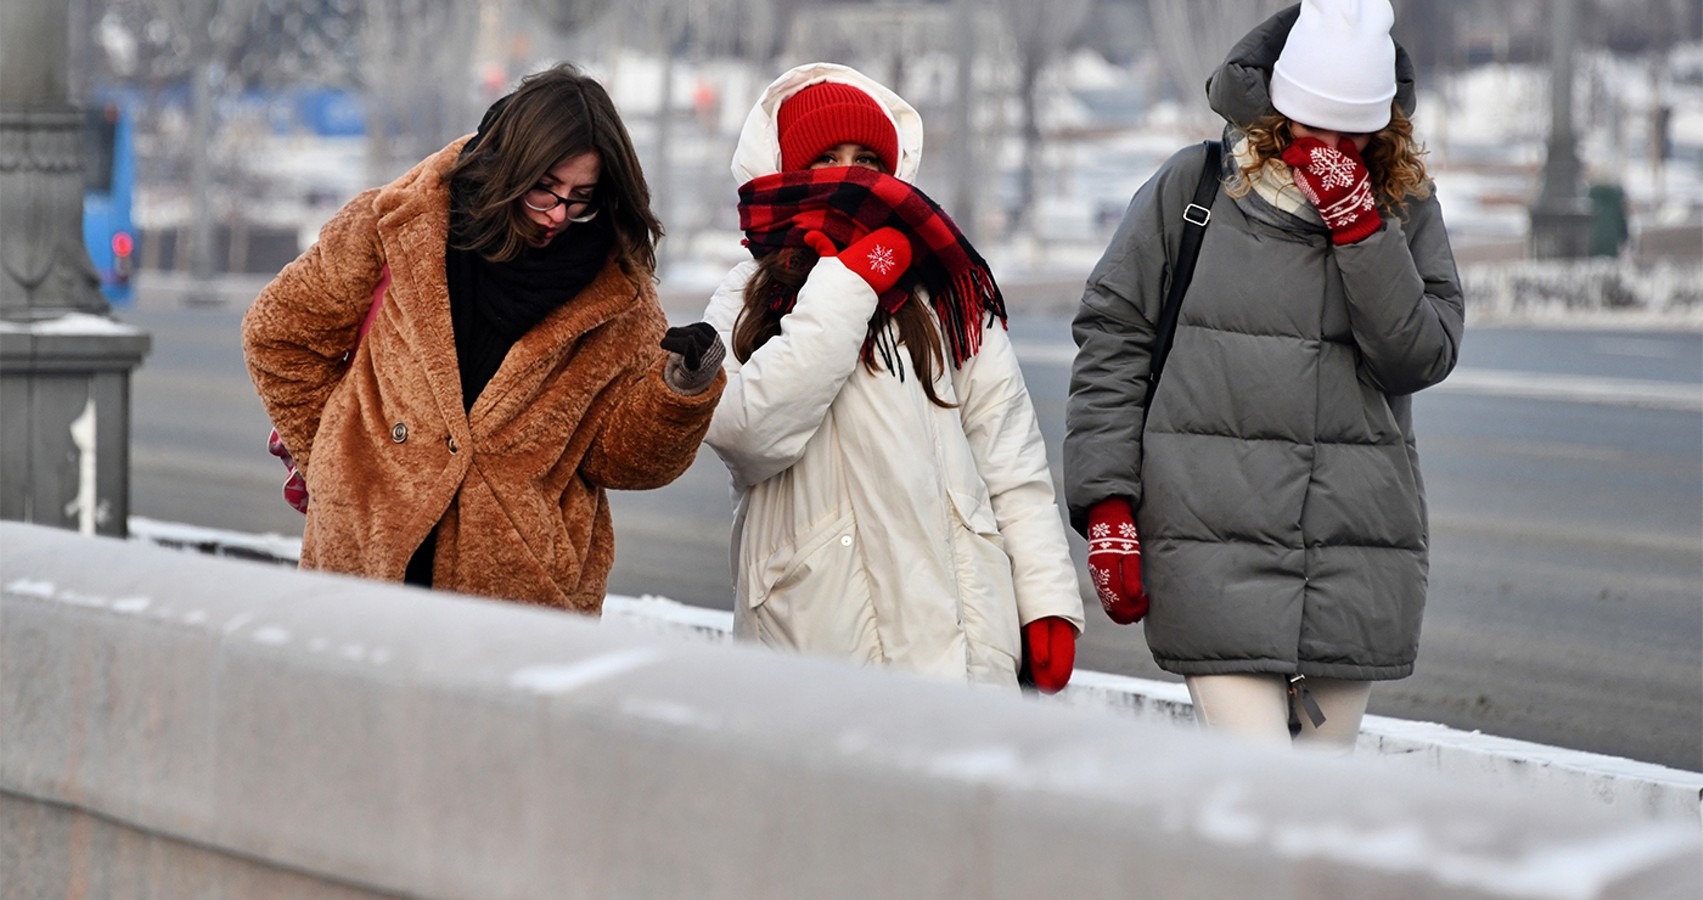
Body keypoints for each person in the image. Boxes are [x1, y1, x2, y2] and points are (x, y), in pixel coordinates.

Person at [1064, 0, 1464, 752]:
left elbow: (1418, 355)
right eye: (1317, 130)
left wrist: (1361, 230)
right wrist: (1107, 505)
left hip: (1353, 555)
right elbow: (1112, 340)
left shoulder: (1402, 207)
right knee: (1259, 794)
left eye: (1356, 135)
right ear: (1279, 115)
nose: (1336, 150)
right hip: (1212, 552)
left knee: (1314, 822)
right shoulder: (1195, 189)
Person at [243, 63, 726, 614]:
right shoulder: (393, 226)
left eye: (582, 196)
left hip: (521, 596)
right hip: (366, 566)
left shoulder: (618, 293)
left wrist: (680, 392)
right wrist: (342, 467)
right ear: (508, 167)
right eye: (544, 190)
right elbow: (279, 335)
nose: (560, 214)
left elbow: (622, 460)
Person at [702, 62, 1085, 692]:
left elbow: (1010, 458)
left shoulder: (948, 290)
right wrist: (851, 281)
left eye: (867, 160)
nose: (852, 175)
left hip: (961, 623)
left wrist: (1045, 599)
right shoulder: (744, 297)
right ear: (789, 173)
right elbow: (749, 435)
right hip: (818, 626)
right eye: (828, 157)